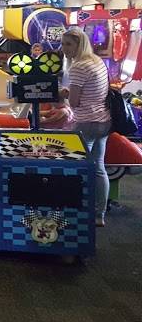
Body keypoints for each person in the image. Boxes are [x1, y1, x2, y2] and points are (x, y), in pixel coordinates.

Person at [61, 28, 112, 226]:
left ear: (79, 44)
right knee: (99, 167)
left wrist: (65, 94)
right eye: (62, 44)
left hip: (85, 122)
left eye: (68, 44)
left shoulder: (79, 67)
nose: (64, 48)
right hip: (104, 121)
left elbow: (74, 102)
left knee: (77, 168)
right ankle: (99, 214)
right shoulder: (97, 61)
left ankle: (77, 211)